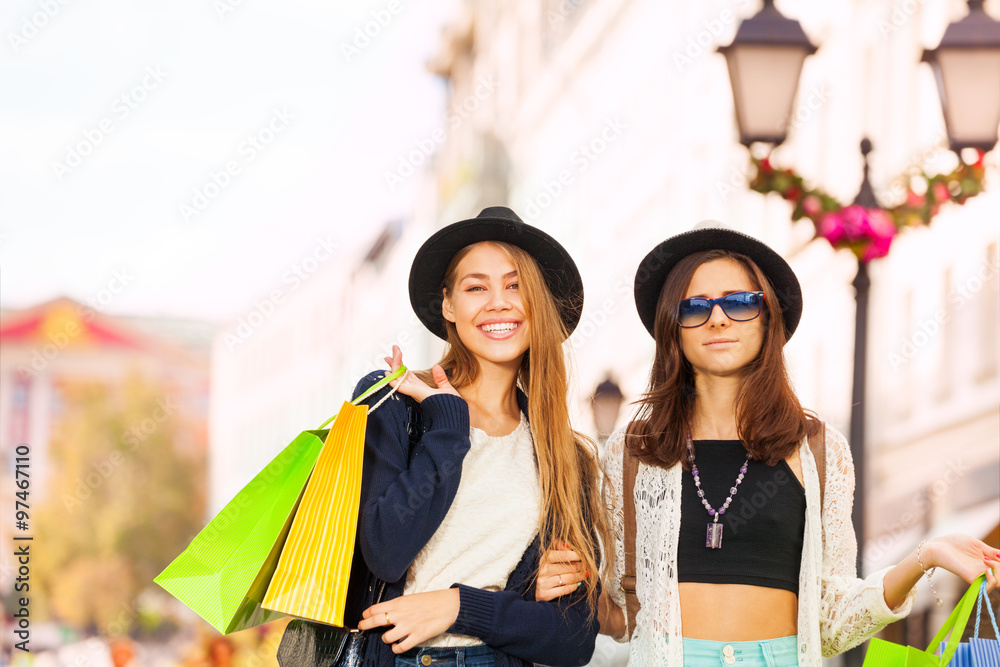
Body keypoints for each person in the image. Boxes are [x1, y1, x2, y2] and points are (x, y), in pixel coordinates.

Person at [535, 226, 1000, 666]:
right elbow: (622, 614)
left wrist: (926, 555)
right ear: (673, 327)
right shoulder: (632, 451)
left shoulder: (818, 450)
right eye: (695, 307)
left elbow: (833, 620)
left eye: (739, 302)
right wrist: (574, 585)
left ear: (767, 319)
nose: (717, 318)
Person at [348, 206, 610, 667]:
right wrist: (448, 422)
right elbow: (385, 552)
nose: (498, 303)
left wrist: (460, 607)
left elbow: (573, 639)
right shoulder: (395, 402)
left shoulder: (564, 456)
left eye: (515, 286)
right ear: (448, 304)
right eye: (476, 287)